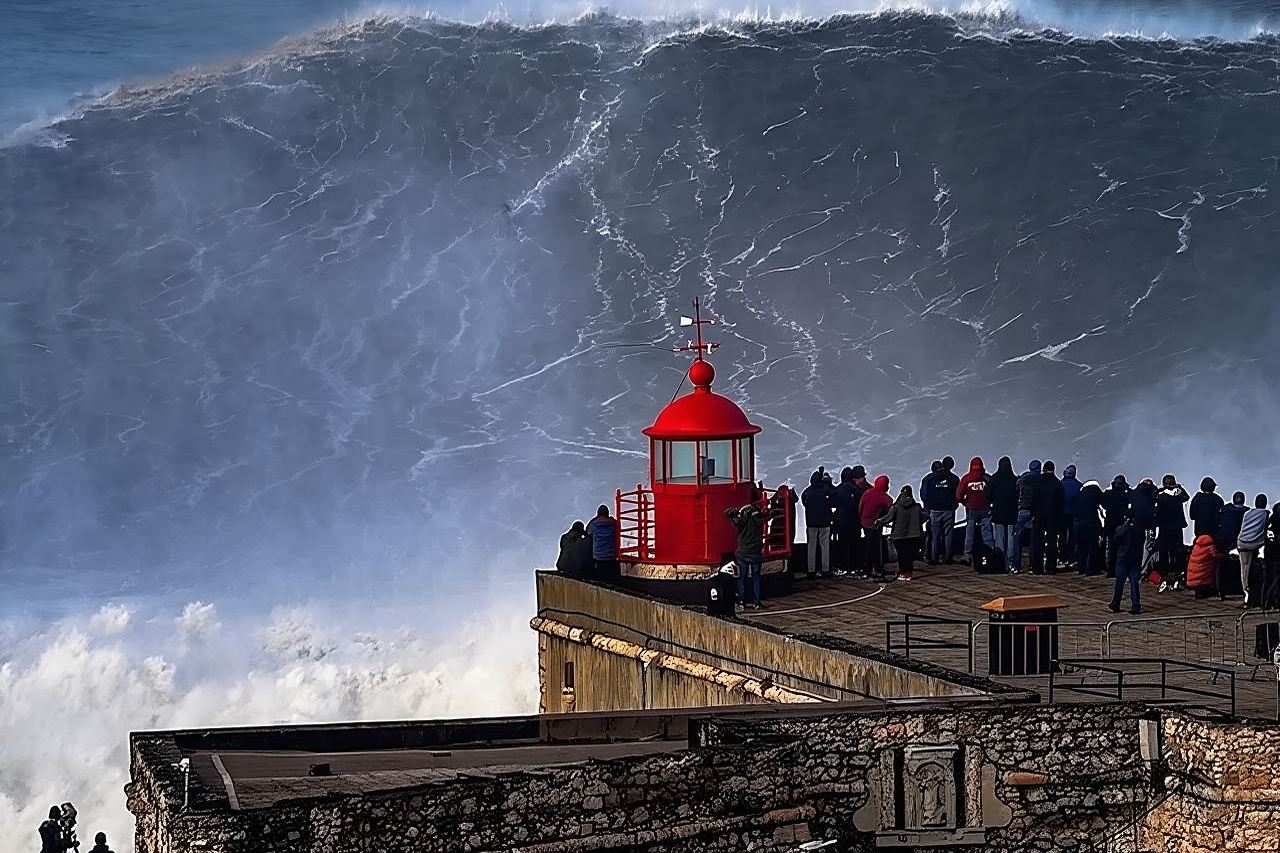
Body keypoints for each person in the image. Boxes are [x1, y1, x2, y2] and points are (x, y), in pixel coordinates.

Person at [876, 485, 924, 581]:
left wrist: (878, 520)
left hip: (899, 535)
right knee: (909, 555)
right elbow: (923, 517)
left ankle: (903, 573)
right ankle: (909, 573)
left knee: (901, 555)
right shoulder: (917, 507)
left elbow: (888, 518)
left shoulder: (896, 507)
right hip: (913, 535)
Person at [725, 504, 766, 609]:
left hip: (742, 553)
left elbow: (731, 517)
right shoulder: (758, 519)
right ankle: (756, 602)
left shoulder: (741, 520)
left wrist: (734, 513)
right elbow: (765, 515)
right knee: (756, 577)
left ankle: (741, 601)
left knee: (741, 577)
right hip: (756, 552)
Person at [957, 456, 996, 564]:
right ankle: (990, 553)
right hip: (985, 509)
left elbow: (958, 496)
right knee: (987, 533)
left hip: (971, 510)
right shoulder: (987, 478)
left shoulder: (966, 479)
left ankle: (967, 554)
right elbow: (992, 493)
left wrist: (966, 504)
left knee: (969, 533)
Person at [1154, 474, 1190, 590]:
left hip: (1164, 526)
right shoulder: (1178, 493)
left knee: (1163, 550)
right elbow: (1186, 497)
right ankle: (1178, 571)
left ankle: (1163, 573)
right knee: (1177, 549)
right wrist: (1178, 487)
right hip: (1176, 526)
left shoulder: (1160, 494)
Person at [924, 456, 960, 565]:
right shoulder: (954, 478)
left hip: (934, 510)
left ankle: (934, 557)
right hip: (949, 509)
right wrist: (954, 505)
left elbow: (925, 494)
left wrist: (928, 506)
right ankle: (947, 557)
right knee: (948, 534)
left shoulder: (930, 478)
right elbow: (957, 494)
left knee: (935, 535)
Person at [1031, 461, 1064, 575]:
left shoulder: (1037, 482)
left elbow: (1033, 499)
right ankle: (1051, 566)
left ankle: (1037, 567)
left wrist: (1033, 513)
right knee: (1052, 542)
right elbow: (1061, 503)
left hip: (1039, 515)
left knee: (1037, 541)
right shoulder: (1057, 483)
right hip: (1053, 516)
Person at [801, 469, 835, 578]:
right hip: (825, 522)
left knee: (811, 546)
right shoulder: (826, 490)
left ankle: (811, 570)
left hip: (811, 523)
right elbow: (834, 498)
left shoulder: (807, 492)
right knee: (825, 546)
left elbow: (804, 503)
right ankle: (825, 569)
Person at [1238, 494, 1270, 609]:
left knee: (1244, 569)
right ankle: (1252, 595)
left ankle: (1246, 594)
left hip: (1242, 542)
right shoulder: (1265, 514)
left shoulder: (1248, 513)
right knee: (1252, 570)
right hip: (1255, 543)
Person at [1109, 515, 1145, 615]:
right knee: (1134, 583)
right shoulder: (1140, 530)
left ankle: (1116, 603)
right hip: (1135, 559)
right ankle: (1136, 605)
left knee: (1119, 582)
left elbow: (1115, 540)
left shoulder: (1122, 529)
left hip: (1123, 559)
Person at [988, 456, 1020, 570]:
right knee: (1011, 537)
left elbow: (989, 495)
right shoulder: (1014, 480)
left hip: (998, 512)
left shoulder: (994, 479)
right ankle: (1011, 560)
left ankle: (1000, 561)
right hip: (1012, 512)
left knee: (999, 537)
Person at [859, 475, 894, 579]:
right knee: (875, 547)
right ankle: (876, 567)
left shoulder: (867, 493)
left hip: (864, 522)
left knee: (868, 545)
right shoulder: (884, 497)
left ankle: (867, 568)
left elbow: (860, 508)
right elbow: (890, 506)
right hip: (875, 524)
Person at [831, 467, 861, 576]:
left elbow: (832, 503)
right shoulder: (856, 489)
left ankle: (843, 567)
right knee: (855, 545)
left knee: (843, 545)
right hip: (854, 521)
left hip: (841, 521)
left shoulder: (838, 489)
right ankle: (854, 567)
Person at [1013, 460, 1041, 574]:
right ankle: (1032, 563)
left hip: (1022, 510)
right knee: (1034, 538)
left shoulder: (1022, 479)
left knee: (1016, 536)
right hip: (1035, 511)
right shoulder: (1041, 480)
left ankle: (1015, 563)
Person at [1101, 475, 1132, 578]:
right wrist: (1128, 488)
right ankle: (1121, 569)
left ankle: (1111, 570)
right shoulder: (1124, 495)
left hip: (1109, 524)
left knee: (1111, 548)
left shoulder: (1108, 494)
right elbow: (1132, 497)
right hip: (1120, 524)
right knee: (1122, 549)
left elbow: (1103, 503)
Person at [1075, 480, 1105, 577]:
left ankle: (1082, 568)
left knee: (1082, 547)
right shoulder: (1095, 492)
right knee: (1093, 546)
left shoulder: (1080, 494)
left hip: (1079, 522)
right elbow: (1104, 503)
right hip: (1091, 522)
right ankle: (1092, 569)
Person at [586, 505, 619, 582]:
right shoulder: (613, 524)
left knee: (600, 580)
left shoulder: (594, 525)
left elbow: (587, 532)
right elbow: (618, 526)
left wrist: (595, 519)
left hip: (599, 557)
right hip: (612, 556)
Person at [1186, 534, 1222, 600]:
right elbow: (1216, 556)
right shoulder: (1210, 547)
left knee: (1198, 579)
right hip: (1203, 575)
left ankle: (1198, 593)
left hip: (1193, 574)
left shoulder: (1196, 547)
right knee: (1204, 578)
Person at [920, 460, 943, 562]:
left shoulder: (927, 479)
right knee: (944, 534)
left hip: (930, 510)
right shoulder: (947, 477)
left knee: (930, 533)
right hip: (946, 510)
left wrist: (928, 507)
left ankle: (929, 555)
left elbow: (923, 495)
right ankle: (943, 555)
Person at [1060, 464, 1083, 565]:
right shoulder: (1079, 485)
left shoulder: (1060, 484)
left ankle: (1062, 557)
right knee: (1073, 537)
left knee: (1062, 536)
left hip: (1062, 513)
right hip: (1074, 514)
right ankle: (1072, 557)